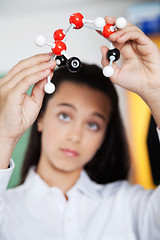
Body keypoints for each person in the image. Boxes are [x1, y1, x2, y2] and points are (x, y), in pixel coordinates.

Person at [0, 17, 160, 240]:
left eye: (93, 124)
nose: (76, 136)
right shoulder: (6, 212)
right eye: (65, 115)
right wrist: (4, 137)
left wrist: (156, 92)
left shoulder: (132, 208)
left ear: (105, 135)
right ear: (41, 117)